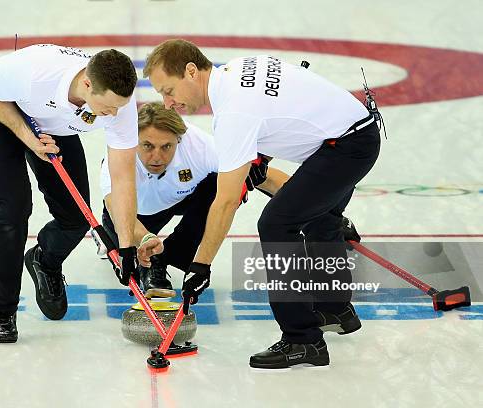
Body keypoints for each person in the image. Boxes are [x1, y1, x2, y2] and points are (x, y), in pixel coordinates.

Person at [143, 39, 380, 369]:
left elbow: (225, 201)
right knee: (319, 218)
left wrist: (201, 266)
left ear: (191, 72)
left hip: (345, 146)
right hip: (350, 134)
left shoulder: (232, 112)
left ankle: (303, 339)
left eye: (168, 90)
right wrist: (257, 160)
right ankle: (335, 308)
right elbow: (276, 112)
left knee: (276, 223)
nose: (167, 103)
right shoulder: (236, 70)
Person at [0, 44, 140, 343]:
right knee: (15, 209)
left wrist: (126, 248)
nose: (113, 114)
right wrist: (27, 137)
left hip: (54, 126)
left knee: (75, 218)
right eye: (107, 107)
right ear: (87, 83)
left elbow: (123, 175)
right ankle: (2, 311)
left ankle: (44, 260)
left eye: (118, 108)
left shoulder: (120, 103)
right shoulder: (34, 72)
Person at [98, 101, 290, 299]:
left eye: (166, 146)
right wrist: (147, 239)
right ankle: (150, 258)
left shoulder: (198, 146)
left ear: (179, 140)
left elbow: (268, 178)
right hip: (133, 211)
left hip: (180, 198)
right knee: (129, 242)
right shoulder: (120, 153)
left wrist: (310, 201)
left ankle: (171, 253)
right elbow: (116, 208)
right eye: (147, 146)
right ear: (134, 139)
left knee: (226, 183)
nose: (156, 157)